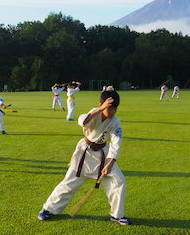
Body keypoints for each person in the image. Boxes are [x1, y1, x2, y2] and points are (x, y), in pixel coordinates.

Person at [38, 90, 131, 226]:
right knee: (69, 182)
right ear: (101, 104)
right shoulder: (95, 112)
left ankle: (117, 215)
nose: (112, 112)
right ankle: (48, 209)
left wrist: (110, 163)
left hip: (103, 155)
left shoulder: (115, 122)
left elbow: (116, 143)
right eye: (110, 108)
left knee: (118, 180)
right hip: (84, 153)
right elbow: (83, 121)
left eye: (115, 108)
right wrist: (101, 109)